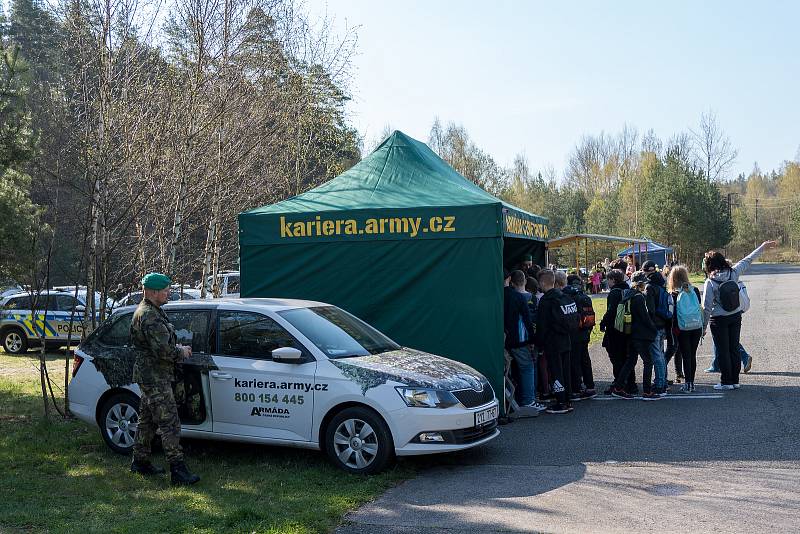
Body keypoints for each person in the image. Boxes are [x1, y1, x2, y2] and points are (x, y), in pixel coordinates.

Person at [130, 272, 200, 486]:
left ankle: (140, 462)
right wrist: (182, 352)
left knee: (147, 420)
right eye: (165, 290)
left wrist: (175, 347)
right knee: (170, 423)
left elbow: (158, 345)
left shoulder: (151, 311)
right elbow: (163, 351)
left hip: (151, 375)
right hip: (155, 377)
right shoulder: (150, 315)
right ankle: (178, 470)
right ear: (152, 292)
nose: (168, 292)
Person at [702, 241, 777, 390]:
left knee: (723, 350)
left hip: (718, 319)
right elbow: (748, 259)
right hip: (735, 315)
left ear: (709, 265)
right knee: (734, 348)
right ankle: (735, 381)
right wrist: (763, 247)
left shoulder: (710, 282)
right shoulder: (734, 272)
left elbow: (706, 307)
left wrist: (703, 327)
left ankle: (726, 382)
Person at [610, 272, 660, 401]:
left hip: (630, 333)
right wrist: (654, 330)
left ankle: (619, 387)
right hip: (641, 335)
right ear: (640, 283)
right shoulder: (639, 298)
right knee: (648, 361)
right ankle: (647, 391)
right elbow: (645, 318)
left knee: (631, 361)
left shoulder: (628, 295)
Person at [535, 269, 579, 414]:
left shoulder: (546, 301)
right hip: (566, 340)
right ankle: (567, 399)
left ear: (542, 283)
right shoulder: (564, 297)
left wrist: (539, 345)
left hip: (552, 342)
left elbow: (542, 326)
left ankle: (560, 402)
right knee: (566, 370)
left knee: (556, 372)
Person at [503, 270, 540, 409]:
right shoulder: (517, 297)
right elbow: (527, 320)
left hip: (502, 340)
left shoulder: (497, 296)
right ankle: (528, 400)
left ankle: (512, 399)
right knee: (527, 368)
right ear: (509, 279)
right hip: (519, 339)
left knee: (508, 371)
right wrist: (532, 339)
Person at [600, 269, 637, 395]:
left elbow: (611, 311)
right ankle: (631, 384)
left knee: (616, 358)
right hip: (627, 328)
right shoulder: (628, 290)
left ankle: (619, 382)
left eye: (608, 279)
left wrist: (603, 323)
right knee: (627, 357)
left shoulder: (614, 293)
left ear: (613, 280)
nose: (607, 282)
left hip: (615, 329)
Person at [668, 265, 703, 392]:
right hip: (696, 326)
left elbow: (671, 313)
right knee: (692, 355)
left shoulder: (673, 293)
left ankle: (687, 384)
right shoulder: (695, 290)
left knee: (685, 355)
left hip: (681, 327)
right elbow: (699, 307)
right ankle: (691, 383)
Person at [563, 274, 596, 400]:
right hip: (585, 332)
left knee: (574, 361)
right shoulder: (585, 296)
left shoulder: (569, 297)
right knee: (585, 359)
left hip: (574, 334)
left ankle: (576, 388)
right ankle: (590, 386)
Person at [642, 260, 670, 396]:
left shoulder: (649, 287)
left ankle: (660, 385)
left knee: (656, 356)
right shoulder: (662, 283)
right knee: (661, 354)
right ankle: (663, 381)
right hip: (663, 323)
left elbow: (650, 309)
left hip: (655, 325)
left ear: (646, 271)